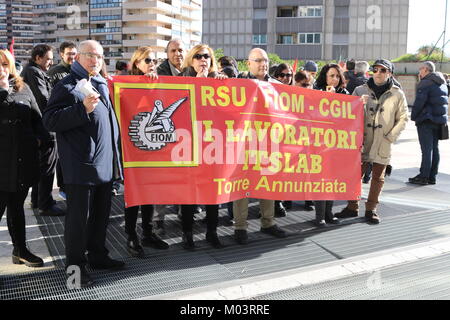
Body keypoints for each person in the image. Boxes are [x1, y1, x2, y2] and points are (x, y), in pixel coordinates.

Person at [43, 40, 125, 287]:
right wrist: (81, 109)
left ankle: (98, 257)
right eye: (91, 56)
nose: (96, 61)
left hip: (104, 165)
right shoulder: (66, 85)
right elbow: (49, 121)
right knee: (78, 222)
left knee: (100, 217)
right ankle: (74, 273)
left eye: (100, 57)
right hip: (81, 167)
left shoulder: (100, 82)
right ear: (77, 57)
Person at [335, 59, 408, 224]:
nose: (378, 73)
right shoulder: (360, 90)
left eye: (383, 70)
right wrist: (360, 106)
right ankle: (352, 207)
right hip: (362, 140)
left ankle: (371, 209)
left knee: (378, 177)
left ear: (389, 73)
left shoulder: (397, 93)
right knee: (355, 174)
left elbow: (403, 118)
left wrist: (390, 137)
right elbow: (348, 114)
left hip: (383, 141)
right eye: (376, 69)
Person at [0, 49, 48, 268]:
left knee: (17, 206)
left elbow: (37, 119)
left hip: (21, 161)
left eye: (3, 63)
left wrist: (39, 140)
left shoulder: (22, 87)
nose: (1, 69)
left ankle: (20, 250)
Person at [234, 48, 287, 245]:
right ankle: (240, 226)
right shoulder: (238, 83)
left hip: (269, 142)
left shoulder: (278, 86)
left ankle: (268, 222)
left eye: (265, 60)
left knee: (268, 183)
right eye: (258, 60)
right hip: (244, 142)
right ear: (248, 63)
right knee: (242, 184)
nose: (262, 64)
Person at [178, 44, 227, 250]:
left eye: (206, 56)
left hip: (212, 144)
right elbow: (179, 109)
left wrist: (224, 85)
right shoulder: (181, 79)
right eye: (198, 56)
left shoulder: (218, 80)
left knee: (213, 191)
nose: (202, 59)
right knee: (189, 192)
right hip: (189, 143)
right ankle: (187, 234)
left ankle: (212, 231)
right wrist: (196, 84)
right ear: (191, 60)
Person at [124, 46, 169, 257]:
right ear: (137, 64)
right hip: (133, 147)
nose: (152, 64)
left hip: (154, 145)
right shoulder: (126, 84)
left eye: (154, 61)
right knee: (134, 194)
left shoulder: (160, 83)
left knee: (150, 192)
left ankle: (148, 232)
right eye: (147, 60)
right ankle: (131, 235)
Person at [21, 44, 65, 217]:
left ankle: (39, 200)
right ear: (37, 58)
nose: (50, 63)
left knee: (43, 167)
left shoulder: (31, 70)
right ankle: (45, 204)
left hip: (40, 126)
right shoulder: (34, 72)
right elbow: (44, 99)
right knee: (47, 168)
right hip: (45, 128)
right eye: (47, 59)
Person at [154, 39, 188, 235]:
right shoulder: (158, 73)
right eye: (173, 51)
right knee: (163, 178)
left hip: (186, 134)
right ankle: (158, 220)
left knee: (184, 177)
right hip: (165, 133)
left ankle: (185, 213)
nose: (178, 54)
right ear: (167, 54)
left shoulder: (191, 70)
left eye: (181, 50)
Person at [311, 63, 350, 226]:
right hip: (319, 144)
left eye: (336, 76)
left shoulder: (345, 94)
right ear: (324, 77)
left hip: (337, 144)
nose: (334, 79)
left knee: (333, 179)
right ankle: (319, 215)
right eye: (331, 76)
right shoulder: (316, 92)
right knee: (320, 179)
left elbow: (348, 119)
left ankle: (329, 212)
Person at [408, 61, 448, 185]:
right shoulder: (442, 83)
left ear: (426, 69)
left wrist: (413, 116)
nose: (419, 71)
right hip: (439, 121)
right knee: (434, 149)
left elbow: (419, 103)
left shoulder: (425, 83)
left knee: (426, 150)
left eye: (420, 69)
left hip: (426, 120)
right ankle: (432, 176)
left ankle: (423, 176)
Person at [48, 41, 78, 201]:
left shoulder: (80, 71)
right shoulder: (54, 72)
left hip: (76, 118)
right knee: (62, 157)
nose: (72, 57)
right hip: (61, 119)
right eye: (69, 54)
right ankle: (63, 188)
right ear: (61, 54)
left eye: (74, 54)